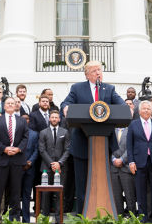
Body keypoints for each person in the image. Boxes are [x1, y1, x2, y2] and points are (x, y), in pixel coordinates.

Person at [60, 60, 125, 215]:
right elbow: (65, 102)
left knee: (103, 181)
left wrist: (126, 107)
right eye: (95, 70)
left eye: (99, 70)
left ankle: (104, 214)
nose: (98, 73)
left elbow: (121, 105)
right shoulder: (77, 88)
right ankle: (84, 215)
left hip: (103, 145)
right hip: (81, 143)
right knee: (82, 184)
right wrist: (66, 107)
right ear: (87, 74)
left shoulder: (109, 89)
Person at [0, 96, 29, 221]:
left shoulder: (22, 121)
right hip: (1, 159)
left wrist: (18, 149)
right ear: (4, 106)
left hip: (17, 160)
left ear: (16, 105)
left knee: (15, 192)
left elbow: (25, 137)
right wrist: (5, 149)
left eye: (13, 103)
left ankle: (14, 218)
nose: (11, 105)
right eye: (8, 103)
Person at [126, 100, 152, 223]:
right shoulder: (133, 125)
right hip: (139, 162)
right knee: (141, 191)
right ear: (139, 111)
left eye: (149, 108)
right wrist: (131, 162)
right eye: (144, 108)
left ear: (151, 110)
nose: (146, 110)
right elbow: (129, 145)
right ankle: (143, 217)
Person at [38, 110, 70, 221]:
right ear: (49, 119)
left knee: (60, 193)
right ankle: (45, 218)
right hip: (46, 167)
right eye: (52, 117)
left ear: (59, 119)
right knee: (46, 194)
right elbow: (42, 150)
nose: (54, 119)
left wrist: (59, 163)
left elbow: (67, 150)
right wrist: (52, 163)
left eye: (56, 117)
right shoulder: (43, 132)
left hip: (61, 168)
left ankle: (58, 219)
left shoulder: (65, 132)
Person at [110, 124, 136, 216]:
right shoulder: (111, 130)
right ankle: (119, 217)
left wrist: (122, 159)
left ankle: (132, 216)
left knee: (130, 194)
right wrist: (113, 159)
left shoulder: (131, 130)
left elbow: (131, 147)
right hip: (113, 168)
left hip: (126, 167)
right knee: (116, 195)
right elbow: (107, 146)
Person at [20, 122, 39, 223]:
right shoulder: (16, 133)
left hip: (30, 168)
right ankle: (14, 219)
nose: (25, 121)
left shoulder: (35, 134)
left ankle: (26, 219)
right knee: (15, 195)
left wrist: (30, 162)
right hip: (17, 168)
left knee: (27, 195)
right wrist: (21, 162)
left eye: (27, 119)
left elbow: (36, 150)